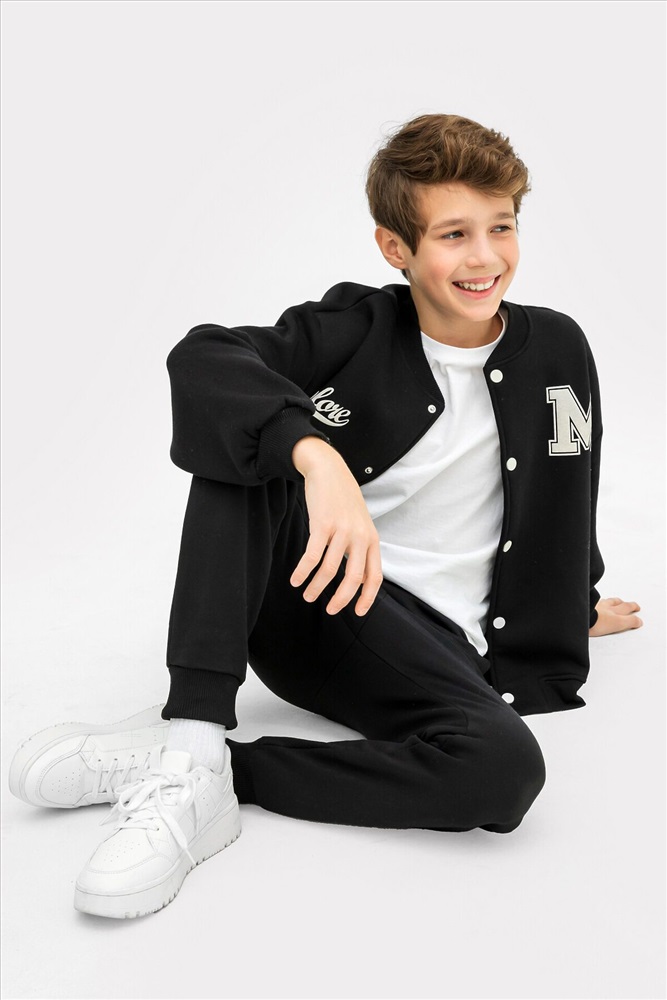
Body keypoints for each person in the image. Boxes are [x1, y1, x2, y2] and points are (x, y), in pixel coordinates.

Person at [9, 113, 642, 919]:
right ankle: (193, 732)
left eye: (500, 226)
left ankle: (217, 771)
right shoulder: (353, 329)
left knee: (504, 773)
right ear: (395, 248)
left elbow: (571, 476)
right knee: (246, 442)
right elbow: (204, 357)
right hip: (321, 599)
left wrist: (569, 604)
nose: (484, 257)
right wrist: (315, 454)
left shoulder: (556, 347)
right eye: (452, 234)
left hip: (436, 648)